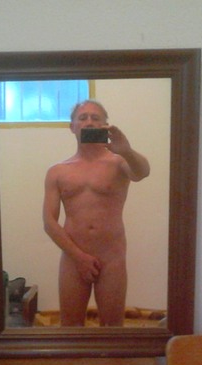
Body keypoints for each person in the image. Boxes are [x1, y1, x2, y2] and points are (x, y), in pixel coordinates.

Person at [43, 100, 150, 326]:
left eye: (95, 118)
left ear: (105, 125)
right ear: (72, 126)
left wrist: (127, 150)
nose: (89, 122)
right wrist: (79, 257)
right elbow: (49, 222)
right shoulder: (57, 171)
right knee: (70, 328)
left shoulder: (119, 163)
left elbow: (142, 172)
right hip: (73, 258)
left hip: (111, 258)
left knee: (112, 329)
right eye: (82, 118)